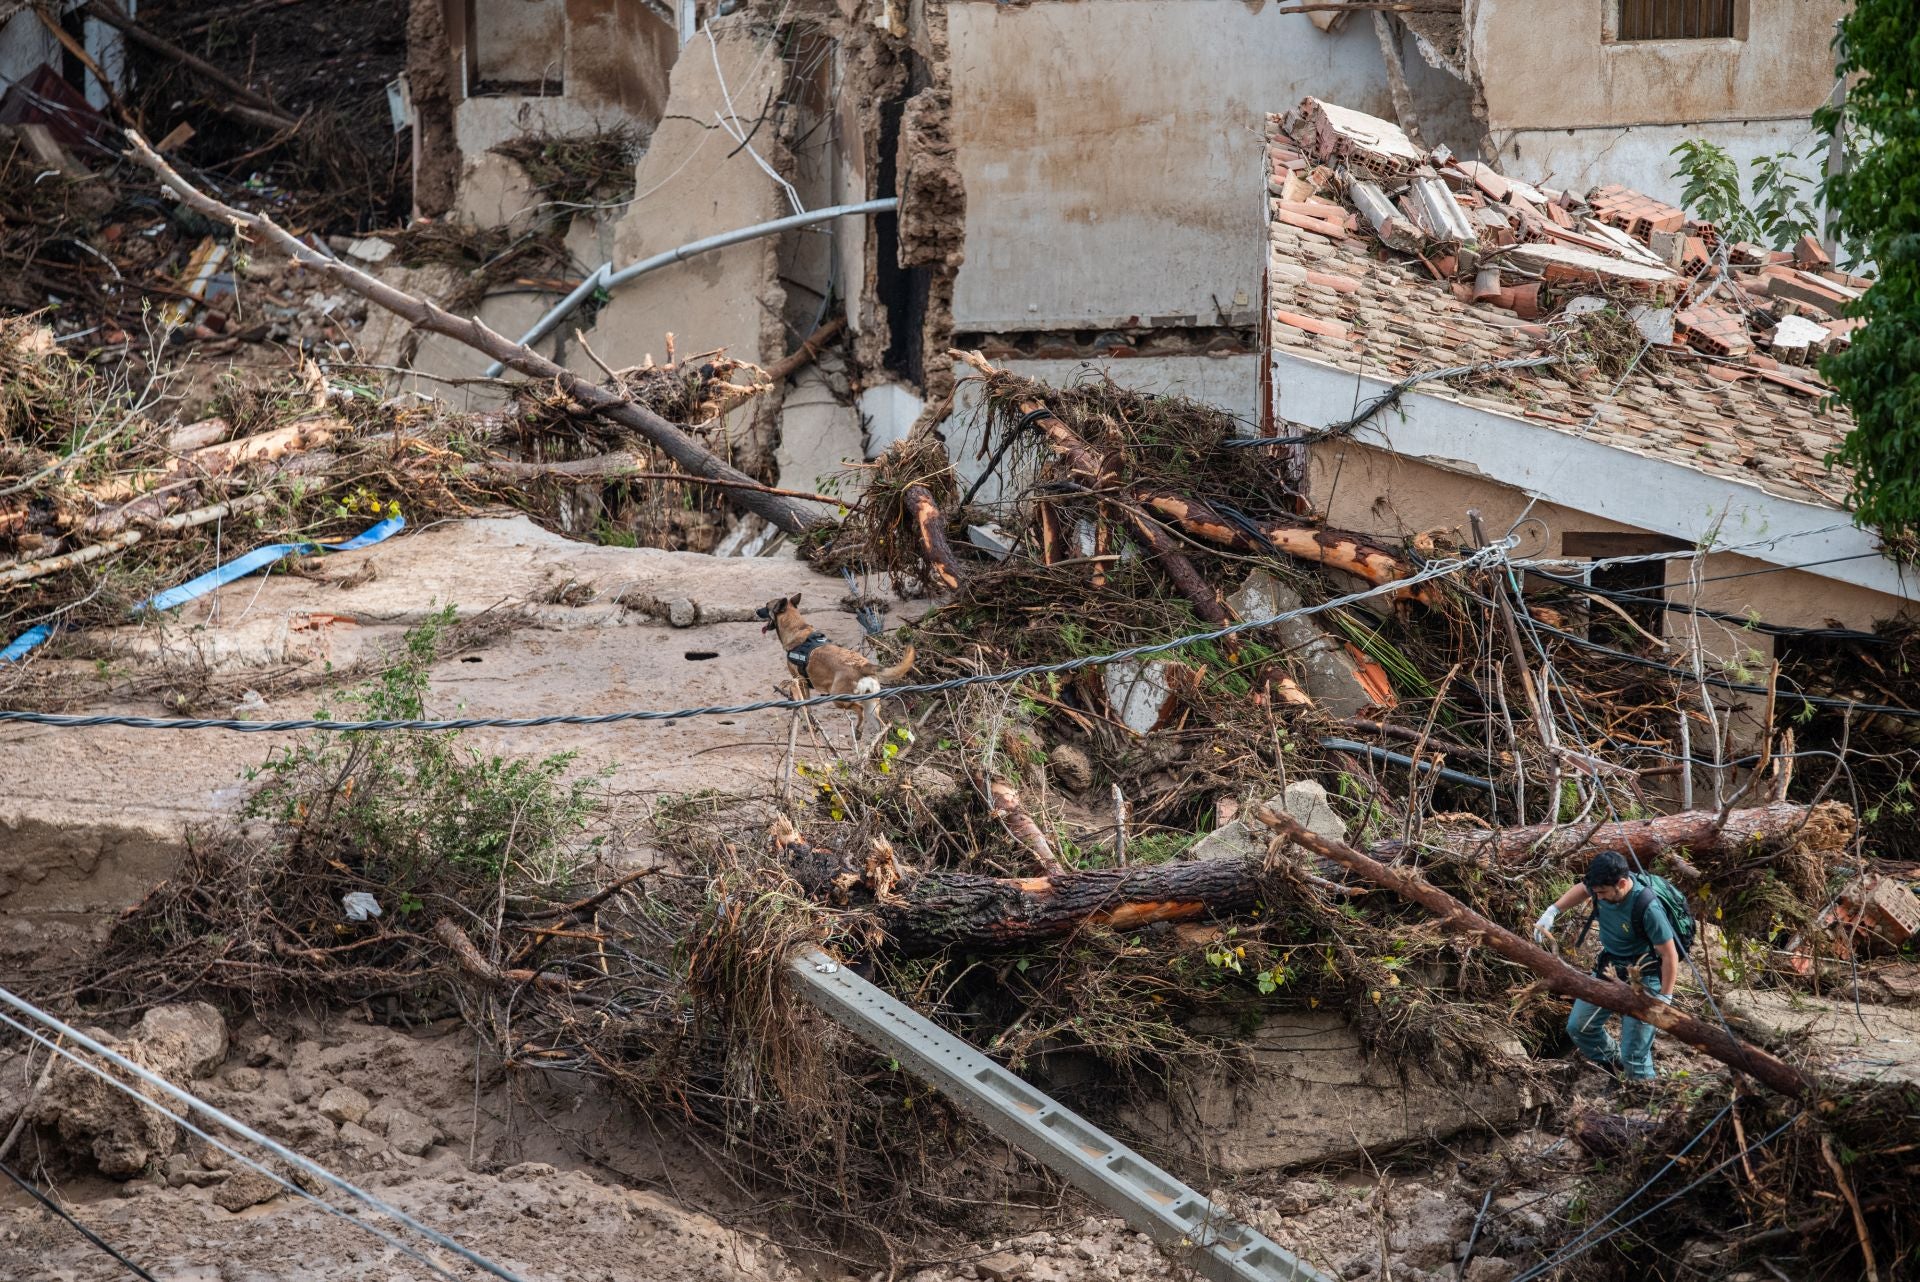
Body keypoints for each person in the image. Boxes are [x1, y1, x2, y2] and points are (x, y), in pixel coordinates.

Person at [1531, 849, 1678, 1081]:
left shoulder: (1647, 907)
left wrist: (1664, 998)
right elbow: (1582, 889)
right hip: (1609, 968)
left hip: (1645, 976)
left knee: (1635, 1055)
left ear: (1621, 883)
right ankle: (1616, 1065)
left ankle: (1643, 1099)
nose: (1597, 897)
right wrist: (1553, 911)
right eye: (1595, 892)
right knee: (1579, 1027)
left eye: (1602, 893)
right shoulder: (1599, 884)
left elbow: (1670, 955)